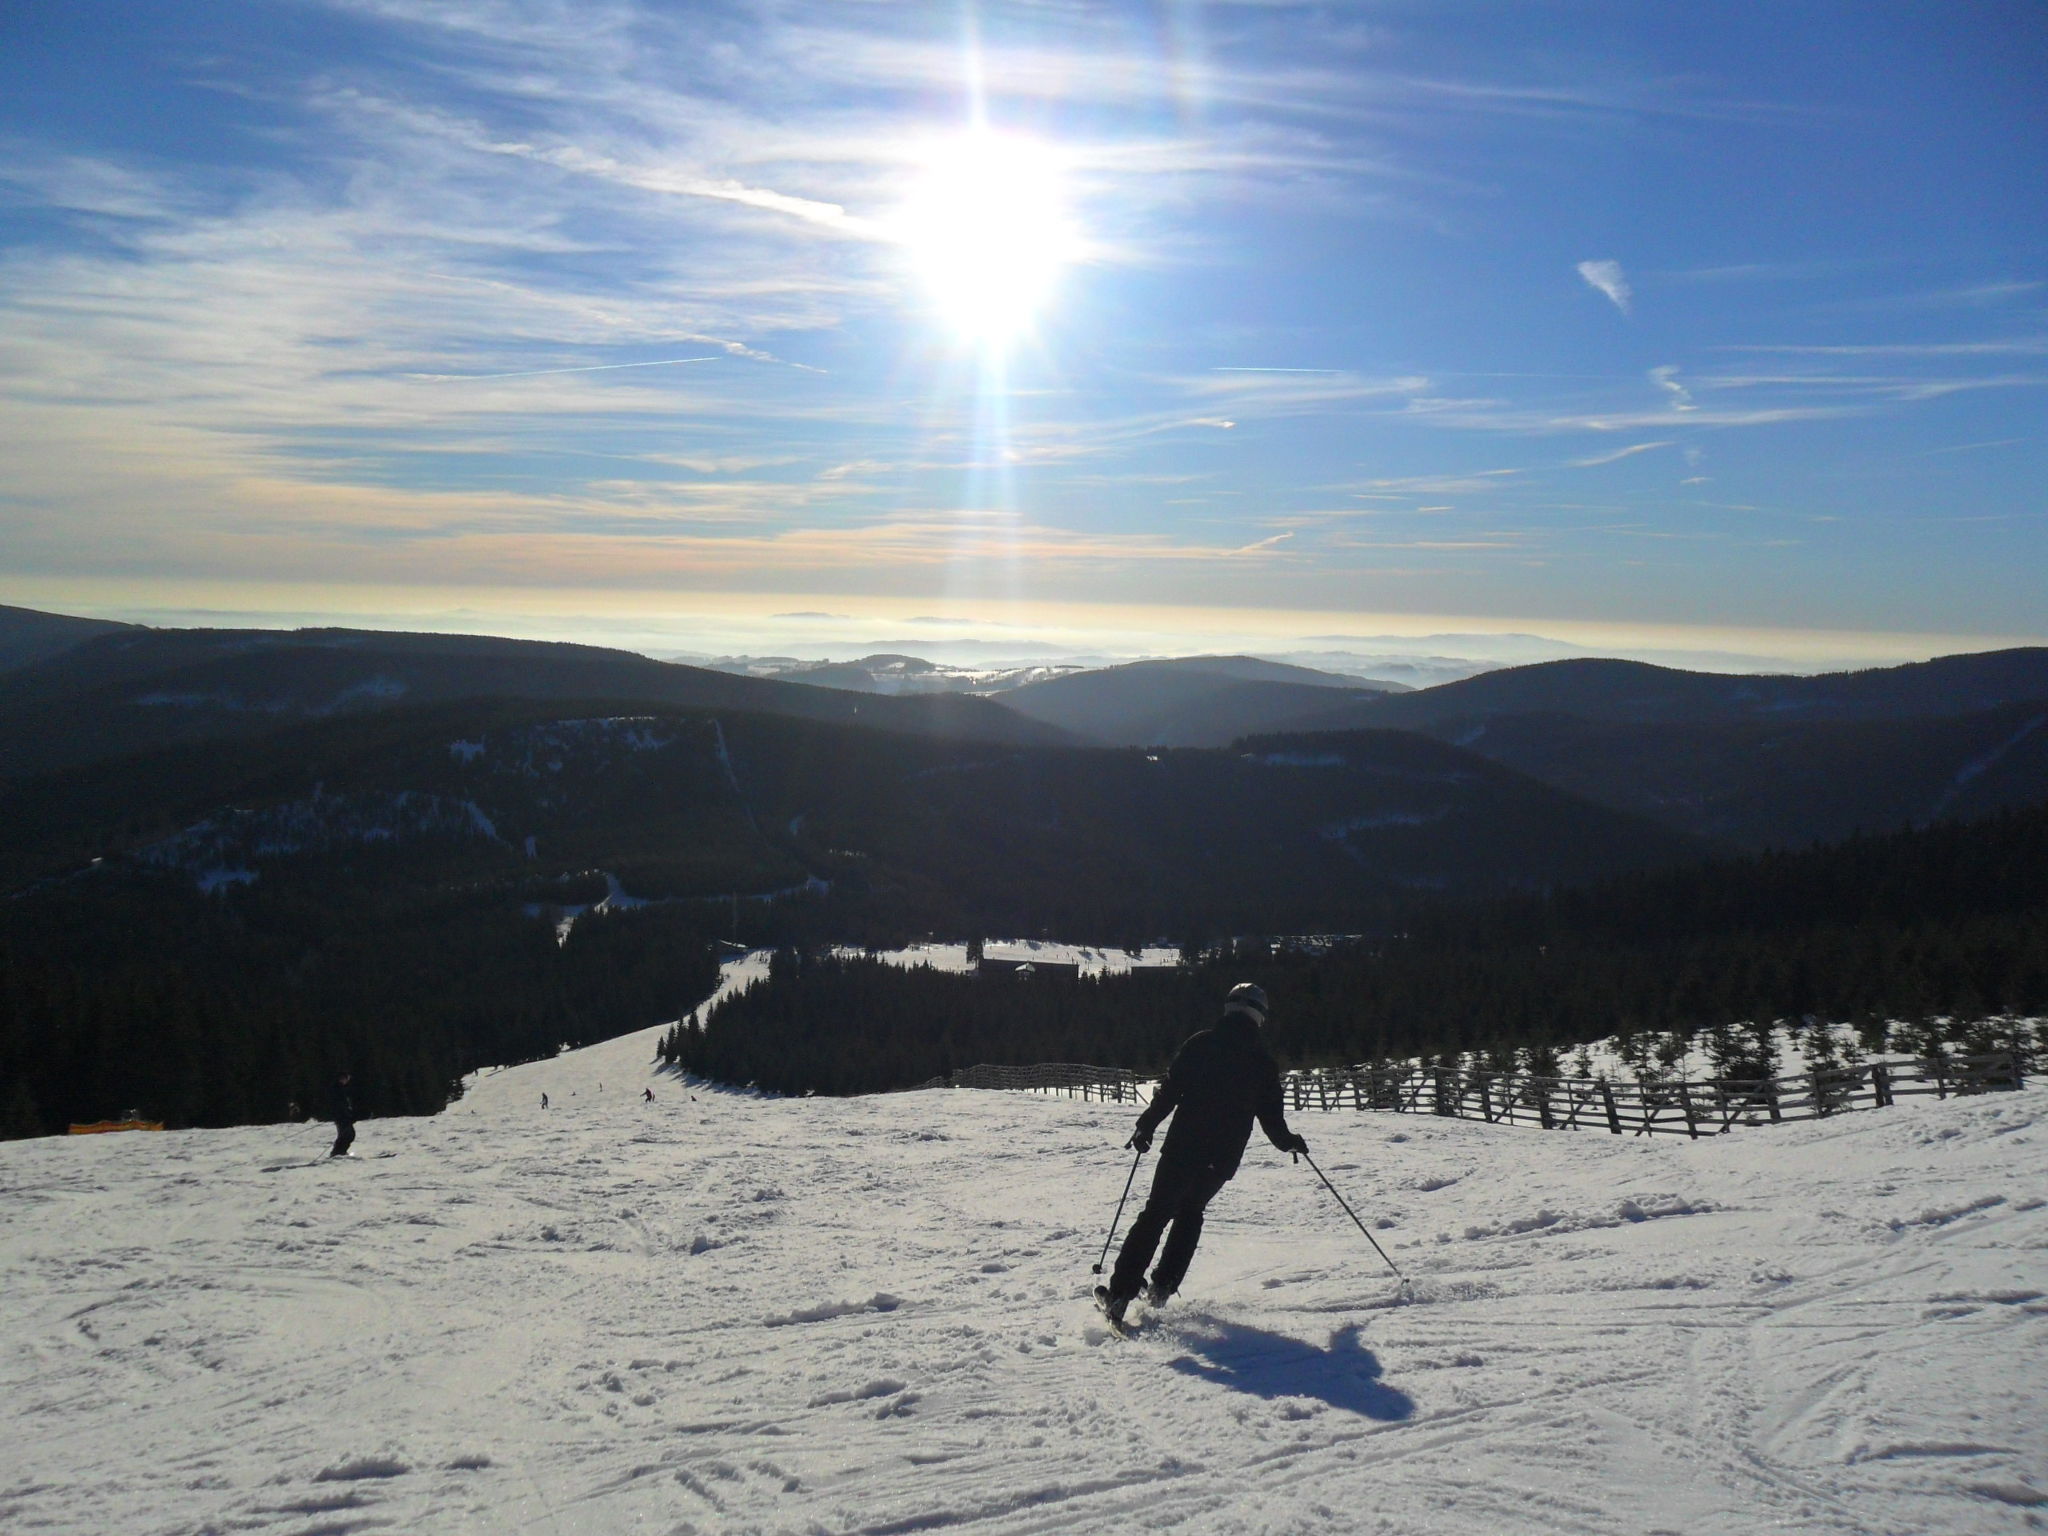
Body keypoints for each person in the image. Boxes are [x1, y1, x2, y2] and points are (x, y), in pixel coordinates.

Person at [1099, 982, 1307, 1325]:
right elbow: (1272, 1120)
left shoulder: (1201, 1044)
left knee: (1157, 1213)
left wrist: (1146, 1125)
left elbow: (1171, 1092)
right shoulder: (1262, 1063)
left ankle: (1121, 1293)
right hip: (1223, 1159)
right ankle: (1163, 1286)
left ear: (1228, 1008)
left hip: (1183, 1147)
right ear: (1260, 1016)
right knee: (1191, 1211)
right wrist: (1290, 1143)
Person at [329, 1072, 356, 1158]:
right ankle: (337, 1152)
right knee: (347, 1134)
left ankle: (340, 1151)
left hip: (343, 1116)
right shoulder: (337, 1089)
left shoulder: (340, 1088)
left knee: (348, 1134)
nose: (347, 1081)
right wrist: (345, 1115)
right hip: (341, 1117)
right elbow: (339, 1105)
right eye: (346, 1079)